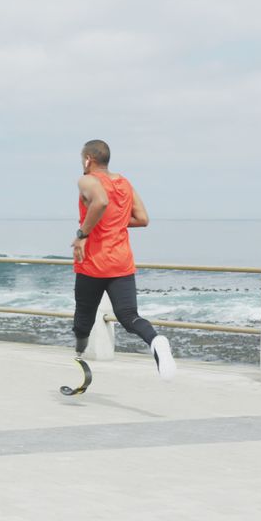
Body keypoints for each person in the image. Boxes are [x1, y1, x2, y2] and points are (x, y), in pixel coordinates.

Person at [70, 139, 176, 380]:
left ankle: (79, 353)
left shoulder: (87, 180)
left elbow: (101, 201)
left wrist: (82, 234)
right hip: (121, 262)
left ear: (89, 159)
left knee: (83, 316)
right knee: (129, 317)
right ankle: (156, 340)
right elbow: (142, 219)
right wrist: (112, 222)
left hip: (93, 263)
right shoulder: (124, 183)